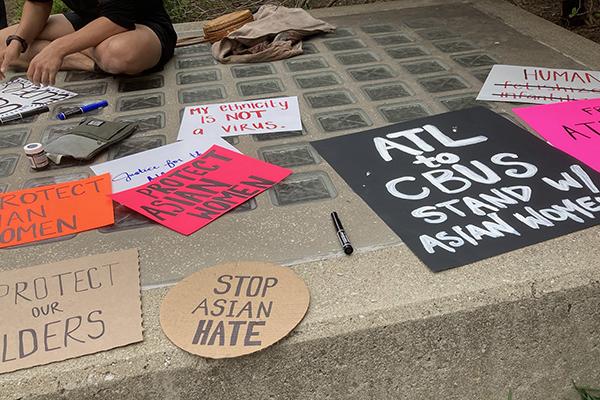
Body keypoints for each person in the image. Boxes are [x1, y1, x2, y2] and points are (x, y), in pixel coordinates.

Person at [0, 0, 177, 85]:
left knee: (119, 54)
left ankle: (71, 54)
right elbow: (39, 4)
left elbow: (119, 19)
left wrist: (58, 48)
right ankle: (91, 63)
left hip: (141, 26)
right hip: (89, 21)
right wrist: (18, 41)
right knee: (3, 43)